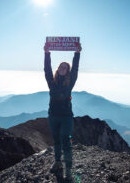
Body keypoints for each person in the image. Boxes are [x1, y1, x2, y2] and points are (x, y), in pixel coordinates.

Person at [44, 43, 81, 181]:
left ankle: (68, 170)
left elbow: (76, 68)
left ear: (68, 71)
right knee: (56, 140)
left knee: (66, 141)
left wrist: (77, 53)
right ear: (58, 69)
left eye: (65, 67)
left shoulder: (70, 82)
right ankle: (57, 162)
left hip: (66, 117)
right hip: (53, 115)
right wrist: (47, 53)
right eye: (61, 66)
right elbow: (47, 69)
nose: (62, 68)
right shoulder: (51, 82)